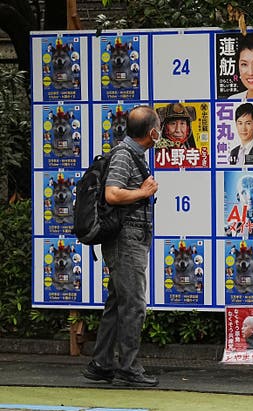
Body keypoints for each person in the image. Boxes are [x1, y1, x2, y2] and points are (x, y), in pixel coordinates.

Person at [82, 106, 160, 387]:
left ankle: (102, 363)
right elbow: (112, 193)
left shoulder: (132, 155)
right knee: (133, 304)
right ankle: (128, 367)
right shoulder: (125, 155)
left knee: (118, 302)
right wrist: (144, 192)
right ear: (151, 132)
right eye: (159, 127)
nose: (160, 133)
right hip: (126, 240)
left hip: (130, 239)